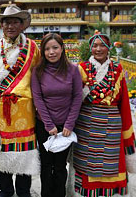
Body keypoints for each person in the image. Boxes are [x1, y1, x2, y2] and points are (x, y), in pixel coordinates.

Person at [0, 5, 41, 197]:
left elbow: (38, 79)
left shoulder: (32, 48)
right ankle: (5, 189)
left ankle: (23, 189)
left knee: (25, 153)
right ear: (1, 25)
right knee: (1, 152)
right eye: (6, 22)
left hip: (25, 111)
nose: (10, 26)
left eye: (15, 22)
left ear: (22, 26)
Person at [71, 31, 136, 197]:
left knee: (112, 159)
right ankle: (84, 191)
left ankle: (113, 191)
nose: (98, 49)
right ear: (90, 48)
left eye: (102, 45)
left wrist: (126, 129)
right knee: (86, 161)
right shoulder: (82, 68)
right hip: (86, 123)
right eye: (94, 45)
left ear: (108, 48)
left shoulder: (117, 69)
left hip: (111, 123)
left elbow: (123, 101)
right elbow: (73, 98)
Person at [31, 33, 82, 197]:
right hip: (44, 125)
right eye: (47, 49)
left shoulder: (73, 70)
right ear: (42, 51)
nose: (51, 52)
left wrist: (69, 124)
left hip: (65, 127)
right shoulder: (37, 71)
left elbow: (77, 97)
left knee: (60, 166)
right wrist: (48, 124)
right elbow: (37, 98)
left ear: (62, 48)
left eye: (55, 47)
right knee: (46, 165)